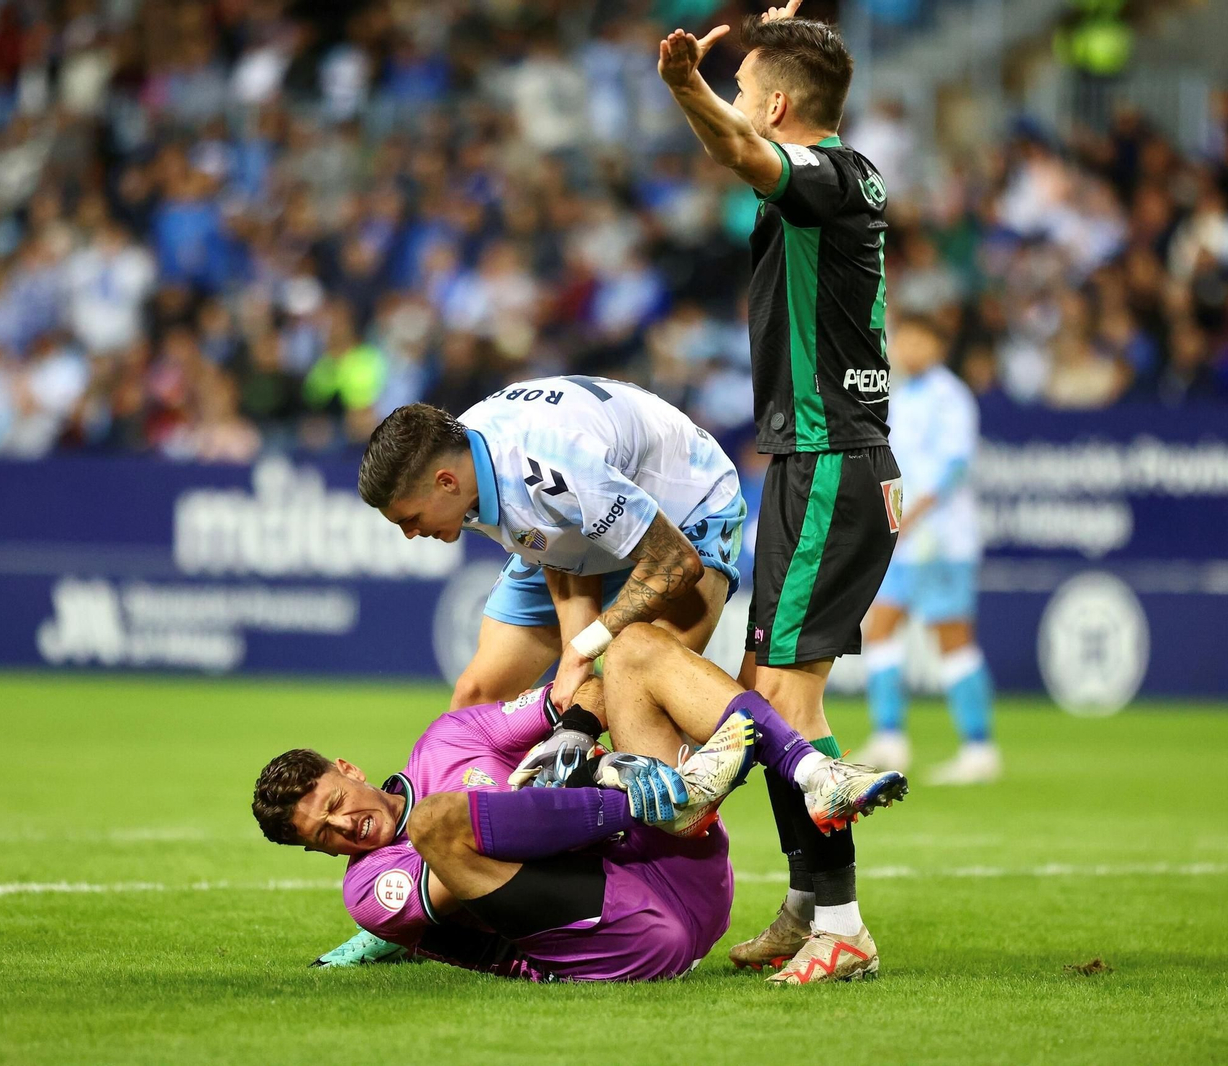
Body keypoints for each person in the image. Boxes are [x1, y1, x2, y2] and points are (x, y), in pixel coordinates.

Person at [313, 376, 745, 966]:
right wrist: (573, 657)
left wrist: (589, 652)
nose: (411, 534)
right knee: (477, 690)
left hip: (683, 516)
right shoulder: (469, 465)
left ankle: (661, 903)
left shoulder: (542, 465)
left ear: (445, 482)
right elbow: (559, 543)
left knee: (627, 685)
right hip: (586, 527)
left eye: (409, 519)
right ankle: (433, 887)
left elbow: (674, 562)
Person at [658, 0, 903, 984]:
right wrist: (719, 85)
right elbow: (749, 154)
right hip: (815, 461)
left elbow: (744, 156)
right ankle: (809, 906)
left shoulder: (827, 175)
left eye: (749, 88)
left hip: (832, 458)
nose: (739, 103)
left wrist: (685, 84)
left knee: (786, 702)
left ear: (778, 101)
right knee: (765, 698)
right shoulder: (830, 179)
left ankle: (842, 928)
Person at [251, 623, 906, 982]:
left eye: (334, 803)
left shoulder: (446, 739)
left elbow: (581, 695)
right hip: (614, 941)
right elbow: (457, 866)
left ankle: (808, 768)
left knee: (632, 650)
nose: (346, 827)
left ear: (348, 769)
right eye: (325, 837)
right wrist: (586, 787)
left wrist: (572, 734)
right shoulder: (368, 894)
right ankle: (658, 798)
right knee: (435, 825)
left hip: (680, 876)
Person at [855, 316, 998, 783]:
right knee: (880, 629)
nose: (909, 347)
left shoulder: (949, 395)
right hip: (901, 538)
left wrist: (912, 517)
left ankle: (979, 747)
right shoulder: (892, 394)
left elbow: (954, 466)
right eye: (903, 338)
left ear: (938, 344)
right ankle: (890, 737)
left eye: (920, 338)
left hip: (940, 538)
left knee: (951, 636)